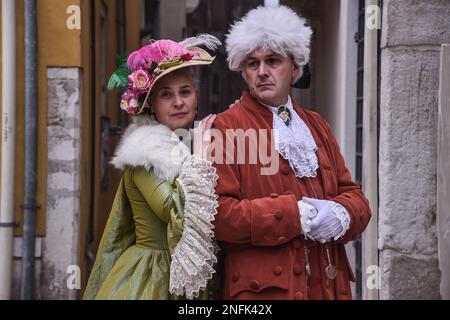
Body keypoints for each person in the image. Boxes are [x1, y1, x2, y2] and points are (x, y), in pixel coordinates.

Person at [211, 4, 371, 300]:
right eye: (252, 64)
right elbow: (220, 215)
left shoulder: (316, 125)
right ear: (243, 71)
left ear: (294, 67)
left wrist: (342, 212)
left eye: (272, 61)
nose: (262, 72)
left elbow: (355, 196)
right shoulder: (227, 126)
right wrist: (292, 214)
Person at [83, 34, 221, 300]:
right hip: (150, 278)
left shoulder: (192, 143)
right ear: (151, 105)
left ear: (196, 97)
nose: (178, 102)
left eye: (185, 92)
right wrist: (202, 159)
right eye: (166, 95)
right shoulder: (145, 151)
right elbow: (173, 209)